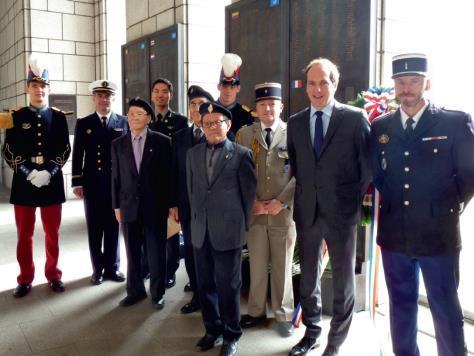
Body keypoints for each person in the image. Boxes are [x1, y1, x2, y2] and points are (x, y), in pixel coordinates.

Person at [370, 53, 474, 356]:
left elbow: (469, 173)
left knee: (444, 307)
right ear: (394, 86)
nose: (407, 89)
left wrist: (447, 203)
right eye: (401, 82)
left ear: (426, 83)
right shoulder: (381, 127)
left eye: (413, 81)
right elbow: (378, 173)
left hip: (438, 233)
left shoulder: (454, 122)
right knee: (401, 306)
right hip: (394, 234)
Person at [287, 58, 371, 356]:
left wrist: (345, 198)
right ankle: (311, 332)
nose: (317, 88)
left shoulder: (355, 118)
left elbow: (366, 169)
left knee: (344, 281)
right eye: (312, 83)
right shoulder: (295, 123)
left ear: (334, 84)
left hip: (341, 213)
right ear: (305, 86)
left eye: (324, 82)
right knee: (308, 278)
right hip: (308, 212)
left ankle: (335, 342)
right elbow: (297, 167)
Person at [186, 102, 257, 356]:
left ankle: (231, 334)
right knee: (204, 284)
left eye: (218, 122)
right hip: (200, 230)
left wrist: (242, 229)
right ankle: (212, 329)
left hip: (228, 231)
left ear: (228, 125)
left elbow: (248, 196)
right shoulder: (192, 154)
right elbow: (192, 190)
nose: (213, 127)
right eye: (208, 123)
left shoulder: (241, 154)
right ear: (202, 126)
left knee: (228, 286)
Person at [1, 55, 70, 297]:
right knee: (24, 236)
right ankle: (25, 278)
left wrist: (49, 172)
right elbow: (8, 150)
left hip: (51, 183)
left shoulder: (59, 117)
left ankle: (53, 275)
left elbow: (65, 149)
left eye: (42, 86)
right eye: (34, 86)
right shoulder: (16, 117)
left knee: (52, 234)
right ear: (27, 88)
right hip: (25, 183)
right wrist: (29, 173)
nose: (39, 90)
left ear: (47, 89)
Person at [236, 82, 296, 337]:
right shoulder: (245, 135)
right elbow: (238, 173)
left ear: (280, 106)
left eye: (272, 104)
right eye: (262, 104)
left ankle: (284, 314)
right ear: (256, 108)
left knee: (282, 266)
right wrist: (252, 203)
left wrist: (282, 201)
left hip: (283, 211)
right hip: (256, 212)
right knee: (257, 265)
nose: (267, 109)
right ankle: (256, 311)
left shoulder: (293, 133)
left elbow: (302, 173)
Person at [111, 97, 171, 309]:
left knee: (156, 253)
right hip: (128, 206)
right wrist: (116, 206)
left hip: (155, 207)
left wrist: (170, 205)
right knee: (132, 252)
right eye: (130, 114)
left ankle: (157, 293)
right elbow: (115, 178)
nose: (133, 118)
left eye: (138, 114)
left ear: (148, 118)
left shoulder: (163, 141)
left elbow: (168, 176)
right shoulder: (118, 144)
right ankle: (135, 291)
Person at [71, 79, 128, 285]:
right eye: (100, 96)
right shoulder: (84, 123)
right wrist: (77, 182)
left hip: (116, 184)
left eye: (108, 96)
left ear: (113, 98)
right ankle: (97, 269)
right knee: (95, 228)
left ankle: (113, 267)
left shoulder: (123, 122)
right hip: (93, 184)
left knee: (113, 227)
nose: (104, 100)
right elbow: (78, 154)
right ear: (94, 98)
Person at [169, 85, 214, 314]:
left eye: (201, 104)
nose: (197, 108)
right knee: (192, 252)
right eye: (193, 105)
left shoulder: (219, 133)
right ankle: (197, 293)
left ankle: (212, 295)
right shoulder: (178, 138)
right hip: (187, 206)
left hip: (213, 209)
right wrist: (174, 204)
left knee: (211, 251)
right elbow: (174, 173)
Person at [148, 77, 188, 288]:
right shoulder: (145, 118)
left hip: (170, 182)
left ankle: (170, 270)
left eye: (165, 91)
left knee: (171, 230)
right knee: (150, 229)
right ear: (152, 94)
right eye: (157, 91)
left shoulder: (180, 121)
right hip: (148, 184)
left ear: (170, 95)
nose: (161, 95)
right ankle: (151, 267)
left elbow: (179, 156)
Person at [217, 53, 255, 137]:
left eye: (232, 86)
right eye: (225, 86)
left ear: (238, 88)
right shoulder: (209, 111)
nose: (228, 90)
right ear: (218, 87)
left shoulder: (246, 115)